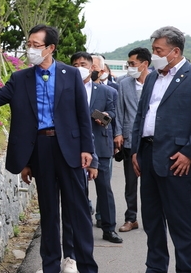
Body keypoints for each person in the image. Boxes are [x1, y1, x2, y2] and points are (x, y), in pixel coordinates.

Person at [0, 25, 98, 273]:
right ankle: (50, 266)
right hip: (40, 149)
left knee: (78, 211)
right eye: (28, 44)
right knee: (49, 212)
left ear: (51, 48)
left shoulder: (71, 74)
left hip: (70, 149)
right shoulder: (20, 78)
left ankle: (86, 267)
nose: (30, 49)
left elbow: (82, 115)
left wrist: (88, 150)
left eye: (35, 45)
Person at [131, 26, 191, 273]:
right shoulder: (153, 77)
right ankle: (155, 267)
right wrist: (136, 150)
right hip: (148, 156)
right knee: (152, 220)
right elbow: (141, 115)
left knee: (181, 223)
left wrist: (189, 152)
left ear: (175, 51)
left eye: (159, 50)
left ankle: (186, 269)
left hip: (177, 159)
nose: (154, 55)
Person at [72, 52, 121, 244]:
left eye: (82, 64)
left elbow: (112, 116)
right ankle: (80, 230)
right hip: (75, 148)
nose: (79, 67)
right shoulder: (67, 90)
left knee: (104, 189)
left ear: (93, 67)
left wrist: (99, 116)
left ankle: (109, 228)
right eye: (75, 64)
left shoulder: (108, 92)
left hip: (100, 146)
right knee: (78, 190)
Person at [113, 47, 152, 233]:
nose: (129, 67)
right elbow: (119, 111)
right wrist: (118, 133)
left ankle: (152, 218)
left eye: (132, 64)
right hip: (129, 139)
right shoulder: (124, 83)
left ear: (145, 64)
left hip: (151, 140)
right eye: (128, 63)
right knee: (130, 182)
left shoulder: (156, 81)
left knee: (152, 182)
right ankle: (131, 218)